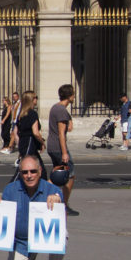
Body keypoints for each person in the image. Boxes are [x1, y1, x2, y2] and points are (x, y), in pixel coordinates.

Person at [0, 155, 66, 260]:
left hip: (43, 236)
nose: (29, 175)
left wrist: (56, 198)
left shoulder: (52, 190)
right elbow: (3, 215)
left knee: (62, 233)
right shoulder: (10, 189)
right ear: (20, 173)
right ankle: (29, 259)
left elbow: (61, 207)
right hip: (21, 241)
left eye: (33, 171)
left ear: (40, 171)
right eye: (24, 172)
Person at [48, 84, 79, 216]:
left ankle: (46, 195)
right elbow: (62, 133)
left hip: (52, 146)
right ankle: (64, 205)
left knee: (57, 173)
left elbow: (69, 128)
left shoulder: (56, 108)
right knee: (70, 175)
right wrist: (65, 152)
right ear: (70, 96)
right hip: (58, 147)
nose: (74, 96)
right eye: (73, 94)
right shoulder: (61, 111)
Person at [15, 90, 46, 179]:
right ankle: (9, 190)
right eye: (36, 98)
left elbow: (15, 132)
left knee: (41, 170)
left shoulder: (21, 114)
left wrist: (20, 146)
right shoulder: (32, 114)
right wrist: (42, 142)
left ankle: (40, 190)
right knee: (22, 171)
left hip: (24, 142)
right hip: (30, 143)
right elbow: (35, 132)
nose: (37, 100)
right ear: (31, 100)